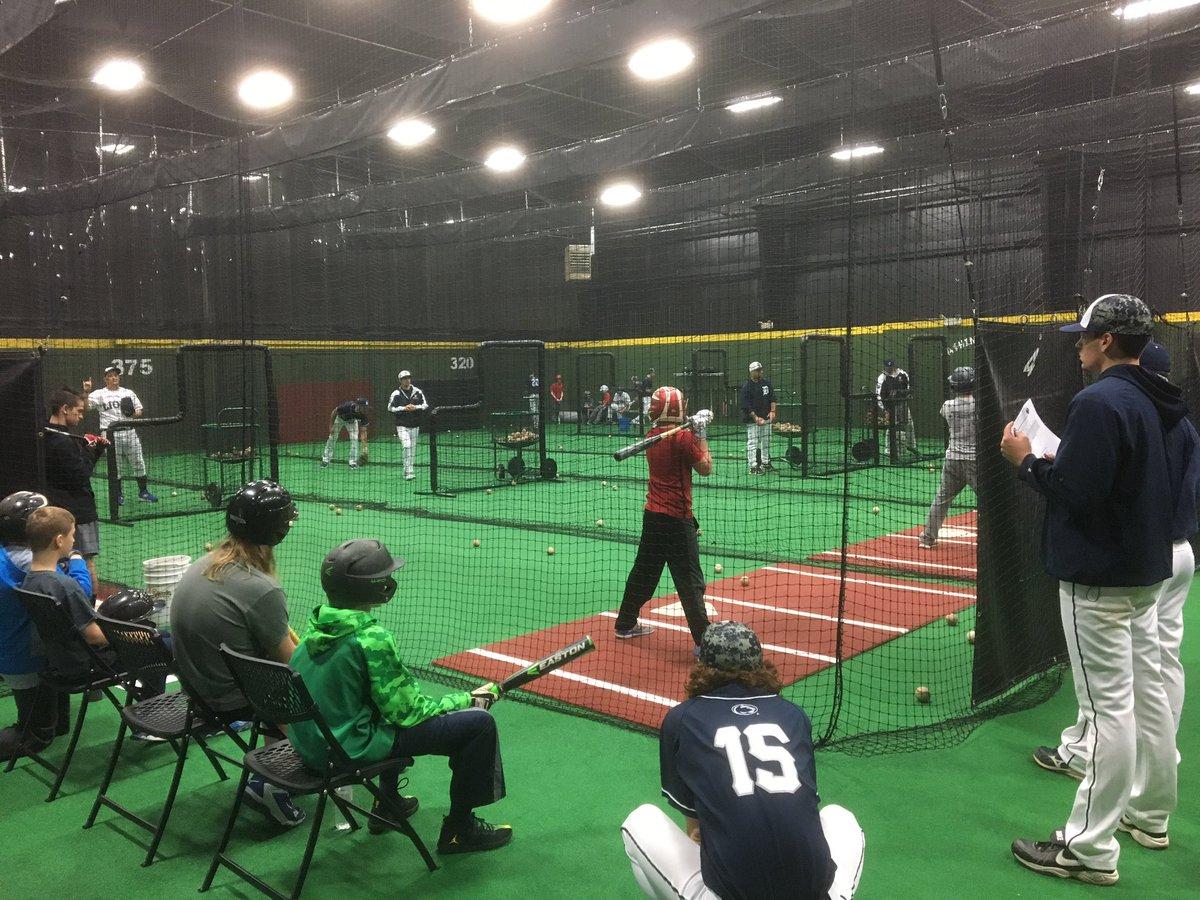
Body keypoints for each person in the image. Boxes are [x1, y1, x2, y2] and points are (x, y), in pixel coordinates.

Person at [1000, 293, 1179, 886]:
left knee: (1108, 715)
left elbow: (1079, 492)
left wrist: (1028, 461)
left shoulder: (1101, 400)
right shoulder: (1154, 395)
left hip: (1101, 579)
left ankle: (1089, 848)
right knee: (1141, 698)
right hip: (1141, 570)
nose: (1077, 346)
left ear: (1105, 341)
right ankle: (1149, 812)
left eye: (1083, 337)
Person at [1032, 341, 1199, 793]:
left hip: (1123, 562)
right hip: (1168, 555)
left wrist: (1031, 465)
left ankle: (1089, 837)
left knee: (1109, 702)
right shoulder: (1173, 415)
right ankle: (1152, 801)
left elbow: (1087, 494)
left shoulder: (1111, 403)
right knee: (1156, 678)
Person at [289, 538, 512, 853]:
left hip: (311, 746)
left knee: (377, 710)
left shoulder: (316, 627)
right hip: (346, 751)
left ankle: (388, 803)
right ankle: (460, 831)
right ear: (373, 587)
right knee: (478, 724)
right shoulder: (370, 639)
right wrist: (469, 700)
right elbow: (408, 712)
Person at [621, 621, 865, 900]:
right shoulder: (793, 715)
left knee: (639, 820)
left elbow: (695, 831)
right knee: (837, 815)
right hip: (817, 894)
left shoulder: (682, 718)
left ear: (702, 666)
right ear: (760, 664)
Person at [169, 480, 306, 827]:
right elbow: (293, 663)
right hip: (226, 699)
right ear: (276, 531)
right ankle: (271, 781)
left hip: (193, 692)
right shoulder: (261, 588)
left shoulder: (205, 562)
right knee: (305, 685)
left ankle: (276, 764)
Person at [613, 387, 713, 649]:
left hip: (653, 517)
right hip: (677, 520)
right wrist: (701, 434)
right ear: (678, 408)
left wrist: (691, 430)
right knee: (690, 582)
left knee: (643, 573)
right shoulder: (681, 439)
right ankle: (704, 643)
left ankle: (625, 623)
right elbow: (706, 468)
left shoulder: (653, 435)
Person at [0, 491, 91, 760]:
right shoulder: (30, 563)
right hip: (25, 653)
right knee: (37, 733)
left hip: (16, 646)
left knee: (58, 724)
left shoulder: (7, 553)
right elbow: (78, 593)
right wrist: (75, 560)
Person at [42, 387, 107, 589]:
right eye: (77, 412)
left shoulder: (43, 434)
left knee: (60, 562)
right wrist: (95, 450)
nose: (80, 417)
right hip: (79, 512)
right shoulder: (63, 442)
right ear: (64, 409)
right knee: (85, 563)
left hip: (56, 510)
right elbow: (80, 475)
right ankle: (88, 613)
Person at [82, 365, 158, 504]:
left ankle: (143, 492)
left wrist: (132, 413)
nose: (114, 377)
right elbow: (86, 407)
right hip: (110, 434)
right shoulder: (99, 393)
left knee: (138, 462)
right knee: (115, 466)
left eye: (116, 375)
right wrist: (86, 392)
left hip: (130, 431)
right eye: (110, 375)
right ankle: (118, 495)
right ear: (105, 379)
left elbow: (139, 410)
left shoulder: (128, 392)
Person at [919, 367, 976, 549]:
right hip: (974, 461)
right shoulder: (979, 405)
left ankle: (927, 538)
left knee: (941, 499)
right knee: (989, 501)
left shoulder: (947, 406)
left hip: (952, 459)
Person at [387, 371, 427, 481]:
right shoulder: (396, 393)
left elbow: (425, 405)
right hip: (402, 426)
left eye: (408, 377)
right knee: (407, 445)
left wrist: (415, 407)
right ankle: (407, 471)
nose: (407, 380)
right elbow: (390, 408)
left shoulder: (417, 392)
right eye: (404, 378)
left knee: (412, 449)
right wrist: (403, 408)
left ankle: (410, 470)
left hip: (415, 425)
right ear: (400, 380)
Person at [875, 360, 917, 462]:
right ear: (884, 367)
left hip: (902, 404)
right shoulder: (882, 378)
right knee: (891, 427)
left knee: (909, 424)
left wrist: (905, 397)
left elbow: (908, 389)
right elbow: (879, 394)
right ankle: (889, 450)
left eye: (891, 366)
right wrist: (886, 410)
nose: (889, 369)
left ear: (894, 366)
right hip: (890, 406)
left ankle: (912, 447)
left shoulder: (903, 374)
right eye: (887, 367)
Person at [740, 361, 777, 475]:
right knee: (753, 442)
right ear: (752, 372)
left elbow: (773, 398)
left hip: (766, 418)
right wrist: (756, 418)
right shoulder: (747, 387)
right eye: (757, 370)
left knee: (766, 441)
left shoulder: (766, 383)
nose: (760, 372)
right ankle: (753, 466)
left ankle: (765, 462)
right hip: (753, 421)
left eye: (760, 369)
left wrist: (773, 411)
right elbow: (746, 406)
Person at [321, 397, 370, 469]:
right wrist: (331, 426)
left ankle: (352, 462)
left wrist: (364, 448)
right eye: (364, 407)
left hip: (352, 422)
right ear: (358, 406)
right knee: (332, 437)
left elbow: (363, 432)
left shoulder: (364, 415)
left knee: (354, 439)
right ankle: (325, 460)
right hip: (340, 419)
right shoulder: (346, 407)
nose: (365, 409)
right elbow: (334, 412)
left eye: (366, 407)